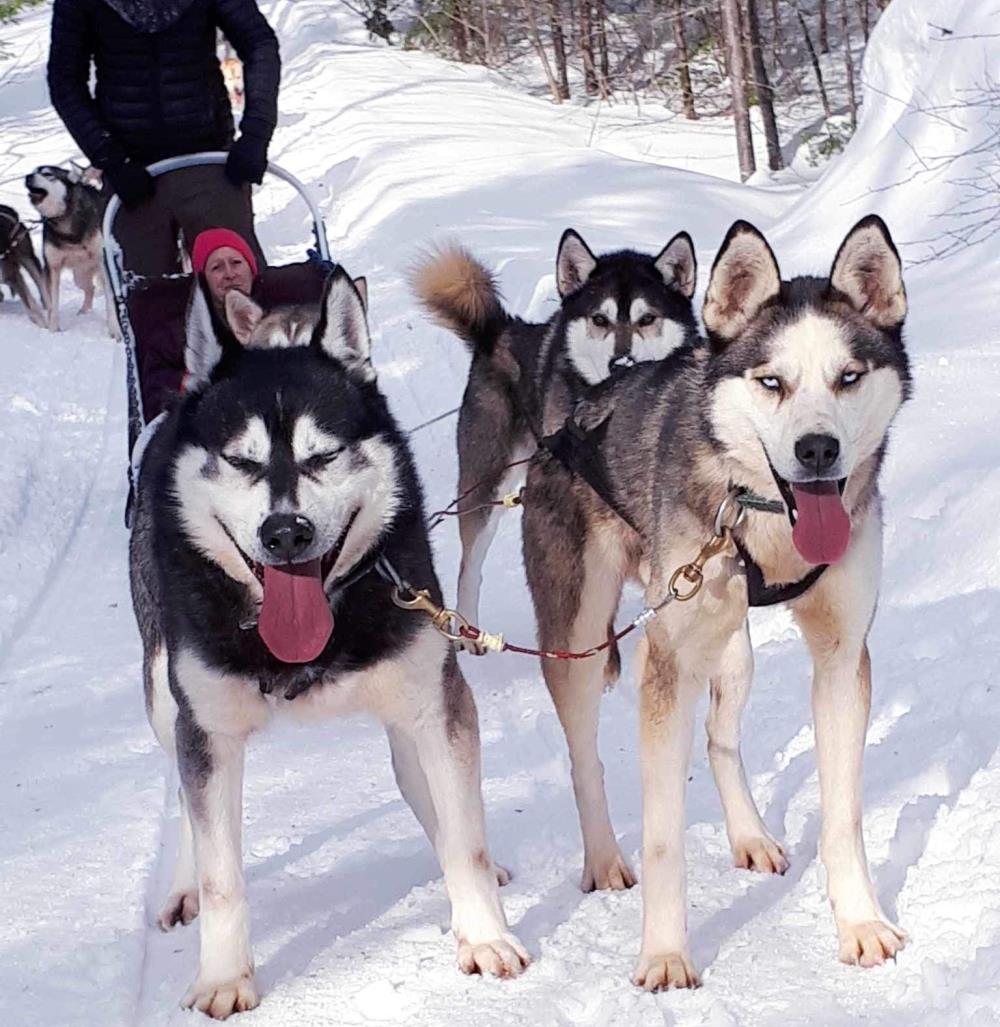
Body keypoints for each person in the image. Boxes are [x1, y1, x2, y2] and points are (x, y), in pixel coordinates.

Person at [47, 0, 280, 276]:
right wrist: (108, 156)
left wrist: (256, 134)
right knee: (151, 297)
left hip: (208, 155)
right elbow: (64, 80)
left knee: (238, 283)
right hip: (132, 170)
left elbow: (259, 43)